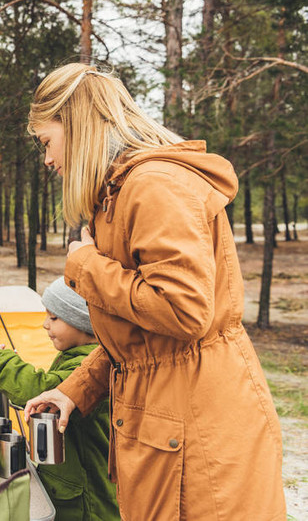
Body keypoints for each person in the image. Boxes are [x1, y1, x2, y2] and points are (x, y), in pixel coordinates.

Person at [22, 63, 286, 520]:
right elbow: (140, 339)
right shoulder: (118, 194)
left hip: (201, 434)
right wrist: (76, 390)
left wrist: (86, 265)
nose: (47, 160)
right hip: (171, 424)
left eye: (47, 141)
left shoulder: (154, 184)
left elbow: (184, 311)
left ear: (79, 124)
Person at [0, 276, 118, 521]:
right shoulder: (75, 357)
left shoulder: (88, 367)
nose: (44, 325)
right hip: (71, 486)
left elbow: (41, 389)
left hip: (85, 501)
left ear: (83, 322)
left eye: (54, 318)